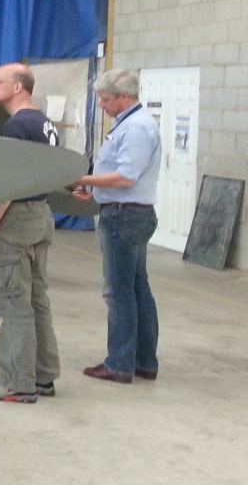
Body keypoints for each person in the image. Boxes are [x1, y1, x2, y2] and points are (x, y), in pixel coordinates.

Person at [68, 69, 162, 385]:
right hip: (129, 213)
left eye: (106, 100)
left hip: (124, 218)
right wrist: (93, 188)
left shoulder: (136, 128)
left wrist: (81, 178)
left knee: (119, 292)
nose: (102, 105)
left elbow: (125, 177)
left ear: (123, 96)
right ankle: (143, 361)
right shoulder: (130, 124)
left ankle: (120, 364)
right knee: (136, 287)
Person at [0, 63, 61, 403]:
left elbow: (9, 182)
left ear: (18, 88)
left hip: (16, 219)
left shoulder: (16, 126)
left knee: (13, 302)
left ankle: (16, 381)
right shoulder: (44, 123)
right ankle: (42, 375)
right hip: (40, 214)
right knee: (37, 298)